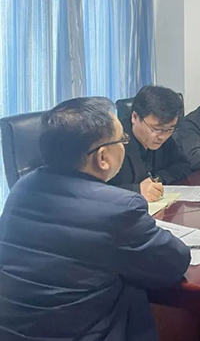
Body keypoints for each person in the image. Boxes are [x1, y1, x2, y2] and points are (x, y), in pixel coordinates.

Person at [0, 97, 190, 341]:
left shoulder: (21, 189)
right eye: (122, 139)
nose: (125, 145)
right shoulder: (119, 208)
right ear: (102, 157)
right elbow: (173, 263)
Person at [109, 85, 191, 202]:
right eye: (156, 129)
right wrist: (137, 190)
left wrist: (156, 179)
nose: (162, 136)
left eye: (169, 129)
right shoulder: (112, 143)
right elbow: (94, 190)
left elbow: (183, 165)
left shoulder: (165, 136)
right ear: (134, 117)